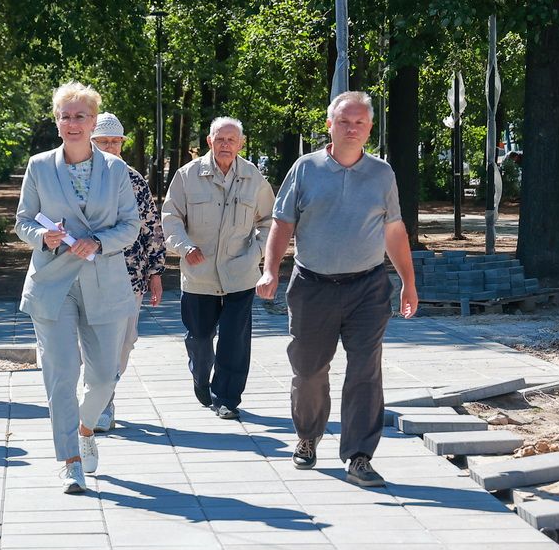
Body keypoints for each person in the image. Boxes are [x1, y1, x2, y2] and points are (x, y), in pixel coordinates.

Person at [256, 91, 418, 488]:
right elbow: (282, 223)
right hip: (312, 285)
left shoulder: (382, 174)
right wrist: (270, 271)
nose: (351, 128)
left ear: (370, 129)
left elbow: (394, 229)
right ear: (330, 124)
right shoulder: (306, 168)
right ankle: (308, 437)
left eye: (360, 123)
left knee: (365, 371)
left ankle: (359, 456)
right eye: (344, 121)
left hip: (367, 286)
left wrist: (408, 283)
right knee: (309, 370)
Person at [15, 82, 140, 493]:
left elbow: (130, 225)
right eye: (65, 116)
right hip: (53, 284)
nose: (72, 123)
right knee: (61, 374)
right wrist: (41, 237)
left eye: (80, 116)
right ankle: (69, 459)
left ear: (93, 122)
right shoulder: (39, 166)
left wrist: (100, 241)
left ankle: (85, 428)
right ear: (56, 122)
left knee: (104, 376)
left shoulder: (116, 169)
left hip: (104, 282)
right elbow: (23, 221)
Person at [162, 117, 275, 420]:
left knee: (234, 338)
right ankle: (200, 375)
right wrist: (184, 247)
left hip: (240, 272)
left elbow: (268, 222)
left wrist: (258, 252)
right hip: (199, 274)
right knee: (199, 337)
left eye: (232, 140)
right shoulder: (187, 176)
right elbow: (171, 216)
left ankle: (226, 397)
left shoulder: (253, 177)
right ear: (210, 141)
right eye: (220, 139)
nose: (226, 145)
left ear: (241, 143)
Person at [88, 112, 165, 432]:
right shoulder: (75, 178)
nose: (109, 147)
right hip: (85, 272)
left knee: (125, 340)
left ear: (122, 145)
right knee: (90, 341)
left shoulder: (133, 179)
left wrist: (156, 272)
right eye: (102, 141)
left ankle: (106, 392)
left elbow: (151, 226)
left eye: (114, 142)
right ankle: (98, 401)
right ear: (90, 142)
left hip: (129, 274)